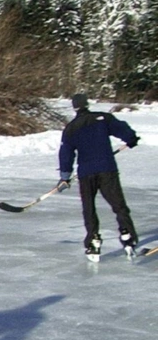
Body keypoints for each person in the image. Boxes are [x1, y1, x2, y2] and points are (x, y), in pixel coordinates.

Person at [57, 93, 140, 259]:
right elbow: (122, 128)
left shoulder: (71, 128)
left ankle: (93, 238)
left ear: (74, 107)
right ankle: (127, 234)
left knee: (89, 208)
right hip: (107, 168)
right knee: (118, 205)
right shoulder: (103, 118)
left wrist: (65, 176)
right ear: (87, 104)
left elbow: (66, 153)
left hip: (86, 173)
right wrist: (131, 138)